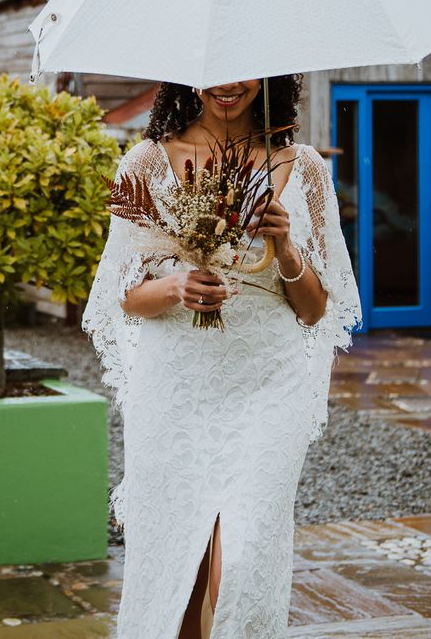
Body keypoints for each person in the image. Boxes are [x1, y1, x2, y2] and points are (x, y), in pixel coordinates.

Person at [82, 74, 361, 639]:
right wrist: (179, 286)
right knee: (177, 566)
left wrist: (284, 245)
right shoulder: (146, 163)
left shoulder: (303, 168)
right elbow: (125, 294)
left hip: (266, 382)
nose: (229, 85)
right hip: (177, 385)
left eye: (244, 69)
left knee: (243, 558)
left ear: (268, 76)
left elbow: (313, 311)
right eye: (213, 72)